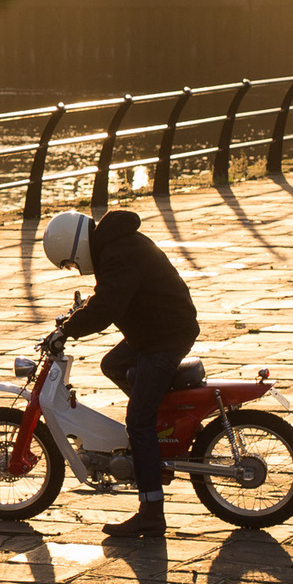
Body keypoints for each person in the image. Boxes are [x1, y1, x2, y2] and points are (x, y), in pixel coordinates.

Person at [40, 208, 200, 539]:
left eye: (70, 264)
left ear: (75, 247)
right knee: (111, 364)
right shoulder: (114, 246)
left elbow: (108, 306)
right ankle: (160, 425)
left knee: (138, 421)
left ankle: (151, 513)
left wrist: (69, 330)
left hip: (164, 337)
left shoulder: (118, 252)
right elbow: (108, 296)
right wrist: (75, 316)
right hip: (156, 331)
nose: (75, 270)